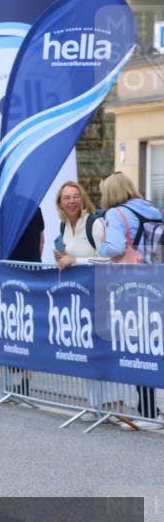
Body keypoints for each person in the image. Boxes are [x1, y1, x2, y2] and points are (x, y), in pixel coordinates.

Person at [97, 171, 162, 429]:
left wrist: (101, 244)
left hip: (128, 285)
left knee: (135, 348)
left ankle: (148, 413)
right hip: (154, 280)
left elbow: (113, 248)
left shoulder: (116, 214)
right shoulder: (151, 210)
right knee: (148, 346)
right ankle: (149, 408)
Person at [0, 169, 45, 262]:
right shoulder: (33, 207)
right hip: (33, 273)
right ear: (15, 184)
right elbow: (42, 241)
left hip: (8, 274)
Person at [52, 181, 105, 269]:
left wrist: (75, 260)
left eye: (76, 197)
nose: (72, 201)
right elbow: (72, 256)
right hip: (75, 281)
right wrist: (62, 258)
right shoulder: (63, 225)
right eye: (66, 198)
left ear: (83, 200)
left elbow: (107, 260)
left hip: (96, 281)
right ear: (60, 203)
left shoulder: (94, 224)